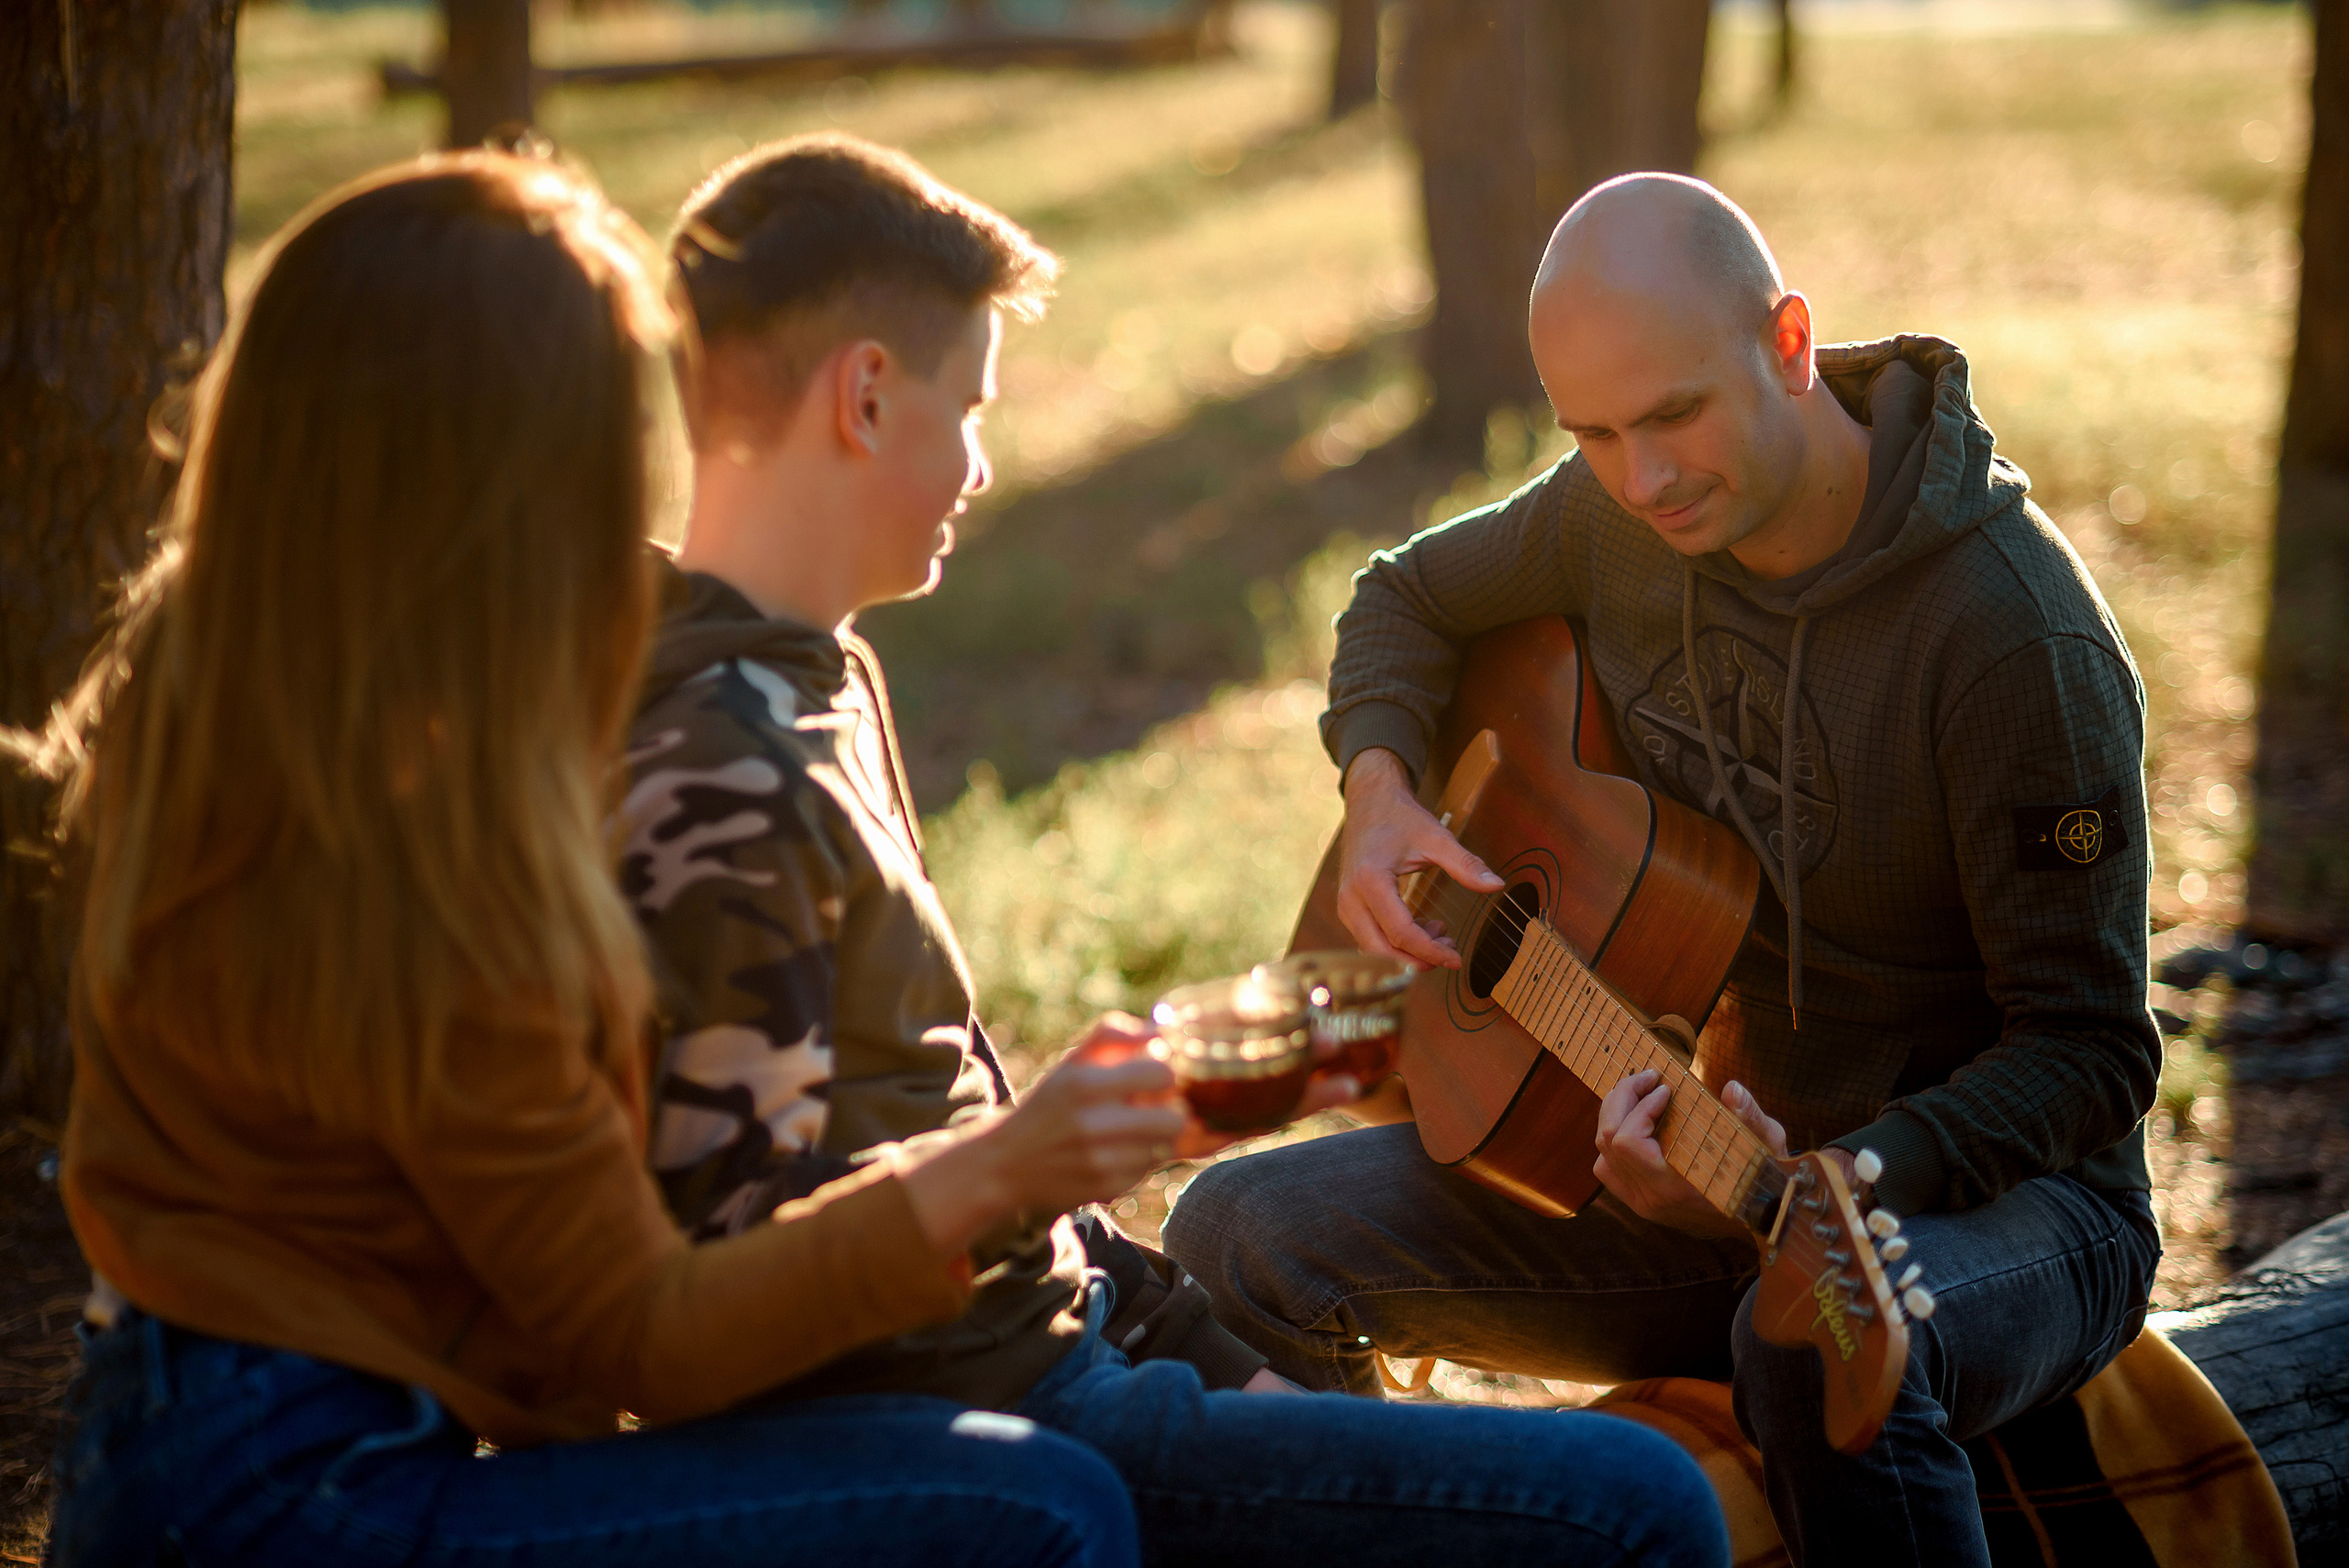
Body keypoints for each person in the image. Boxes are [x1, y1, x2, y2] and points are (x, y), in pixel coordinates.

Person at [23, 151, 1169, 1568]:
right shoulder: (418, 853)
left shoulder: (238, 676)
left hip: (168, 1447)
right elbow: (646, 1336)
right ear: (512, 466)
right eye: (604, 430)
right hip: (305, 1497)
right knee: (1036, 1510)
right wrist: (1003, 1166)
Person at [623, 131, 1730, 1568]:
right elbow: (734, 1314)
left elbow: (950, 1124)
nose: (979, 462)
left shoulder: (825, 680)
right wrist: (1055, 1197)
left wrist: (1195, 1339)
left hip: (1072, 1348)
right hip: (998, 1428)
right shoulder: (718, 769)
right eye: (970, 407)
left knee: (1374, 1397)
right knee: (1640, 1510)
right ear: (868, 394)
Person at [1160, 172, 2166, 1568]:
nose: (1641, 478)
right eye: (1594, 433)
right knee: (1239, 1234)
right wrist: (1382, 795)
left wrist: (1842, 1179)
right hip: (1699, 1179)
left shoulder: (2014, 642)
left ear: (1792, 341)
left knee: (1808, 1340)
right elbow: (1403, 594)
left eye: (1674, 415)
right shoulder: (1612, 516)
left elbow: (2092, 1051)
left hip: (1998, 1208)